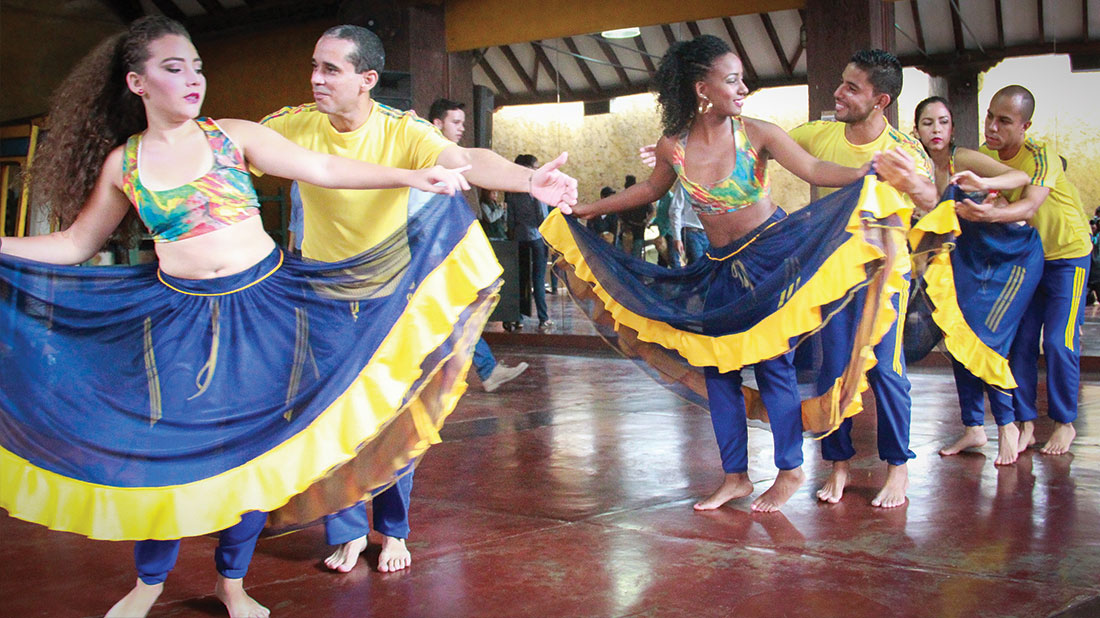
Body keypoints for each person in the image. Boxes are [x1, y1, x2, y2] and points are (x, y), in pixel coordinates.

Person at [0, 16, 476, 618]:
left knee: (253, 456)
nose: (193, 79)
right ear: (137, 82)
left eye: (197, 67)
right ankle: (149, 582)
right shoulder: (126, 163)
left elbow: (325, 169)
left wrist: (411, 175)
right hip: (180, 320)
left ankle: (232, 582)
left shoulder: (232, 136)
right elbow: (74, 244)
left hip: (263, 311)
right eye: (174, 68)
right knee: (166, 454)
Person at [547, 35, 913, 513]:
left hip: (774, 257)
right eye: (733, 80)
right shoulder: (673, 146)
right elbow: (651, 190)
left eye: (743, 80)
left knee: (773, 364)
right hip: (720, 268)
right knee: (718, 370)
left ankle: (789, 469)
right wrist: (590, 210)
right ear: (703, 89)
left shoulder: (757, 133)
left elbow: (814, 168)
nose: (743, 89)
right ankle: (735, 476)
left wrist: (866, 171)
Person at [259, 27, 576, 574]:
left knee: (394, 415)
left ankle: (393, 529)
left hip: (390, 297)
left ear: (367, 79)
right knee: (332, 418)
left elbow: (465, 158)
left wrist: (529, 180)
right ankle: (347, 530)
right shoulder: (292, 125)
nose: (316, 78)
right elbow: (231, 150)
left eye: (331, 69)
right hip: (323, 296)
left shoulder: (400, 130)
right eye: (314, 66)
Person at [788, 49, 938, 508]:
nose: (838, 93)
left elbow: (931, 199)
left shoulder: (904, 149)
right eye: (842, 82)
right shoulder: (818, 135)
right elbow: (760, 143)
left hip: (885, 280)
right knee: (832, 371)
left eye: (852, 88)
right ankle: (838, 466)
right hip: (832, 276)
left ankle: (898, 467)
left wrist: (911, 182)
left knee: (887, 371)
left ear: (881, 100)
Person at [959, 85, 1092, 456]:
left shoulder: (1040, 155)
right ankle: (1026, 423)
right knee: (1020, 343)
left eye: (1004, 121)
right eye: (990, 116)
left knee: (1058, 340)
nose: (992, 127)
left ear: (1025, 126)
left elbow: (1030, 205)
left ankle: (1065, 423)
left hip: (1068, 256)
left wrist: (990, 214)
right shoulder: (985, 155)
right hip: (1028, 260)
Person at [908, 96, 1041, 465]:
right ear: (916, 130)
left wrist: (983, 182)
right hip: (965, 261)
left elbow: (1021, 178)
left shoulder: (962, 159)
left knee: (985, 338)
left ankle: (1007, 425)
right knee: (959, 336)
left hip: (1010, 257)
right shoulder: (916, 168)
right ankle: (973, 427)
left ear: (952, 129)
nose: (936, 129)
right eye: (928, 123)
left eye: (943, 122)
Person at [424, 97, 530, 388]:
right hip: (425, 254)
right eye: (455, 122)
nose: (461, 128)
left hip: (437, 253)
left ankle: (487, 369)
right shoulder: (426, 157)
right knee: (448, 314)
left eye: (463, 123)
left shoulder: (449, 160)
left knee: (453, 313)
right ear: (437, 124)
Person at [507, 154, 553, 331]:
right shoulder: (536, 190)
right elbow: (542, 217)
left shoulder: (512, 191)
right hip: (536, 239)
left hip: (520, 239)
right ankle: (543, 318)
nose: (538, 170)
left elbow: (510, 220)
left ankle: (518, 318)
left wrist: (513, 236)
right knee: (538, 279)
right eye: (536, 167)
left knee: (521, 279)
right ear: (528, 168)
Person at [618, 174, 654, 258]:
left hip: (638, 230)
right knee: (624, 255)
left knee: (635, 255)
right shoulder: (623, 198)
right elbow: (618, 213)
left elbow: (651, 211)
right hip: (626, 231)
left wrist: (646, 221)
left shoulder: (642, 198)